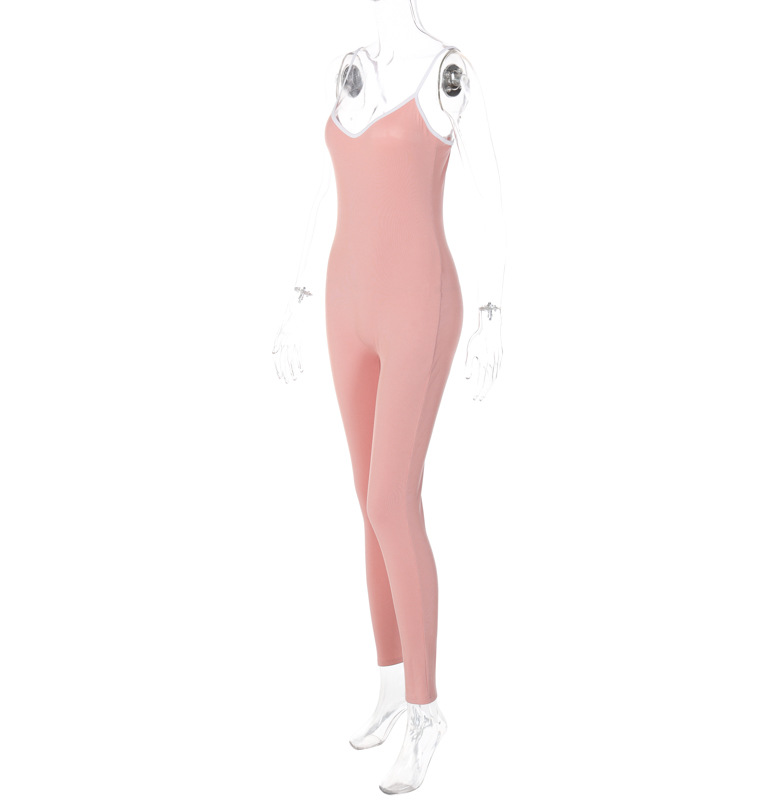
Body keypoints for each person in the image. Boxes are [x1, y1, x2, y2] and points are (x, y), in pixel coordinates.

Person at [273, 0, 506, 793]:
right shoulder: (349, 69)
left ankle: (426, 710)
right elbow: (318, 186)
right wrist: (293, 299)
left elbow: (492, 194)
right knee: (366, 500)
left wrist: (493, 314)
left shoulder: (447, 72)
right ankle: (387, 682)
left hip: (417, 306)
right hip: (345, 308)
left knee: (391, 500)